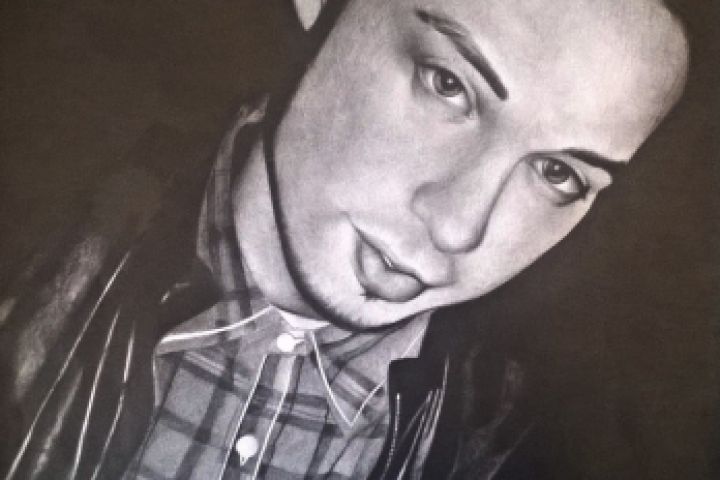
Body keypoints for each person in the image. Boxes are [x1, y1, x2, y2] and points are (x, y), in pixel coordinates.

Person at [0, 0, 689, 478]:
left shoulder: (515, 439)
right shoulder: (35, 247)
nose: (459, 226)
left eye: (558, 174)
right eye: (448, 84)